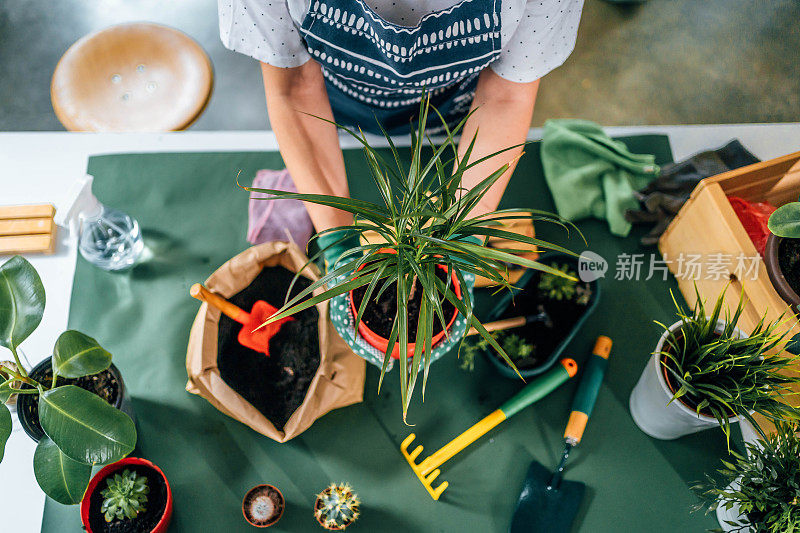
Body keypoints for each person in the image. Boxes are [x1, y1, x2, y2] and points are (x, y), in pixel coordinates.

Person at [218, 0, 584, 236]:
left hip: (457, 115)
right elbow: (295, 84)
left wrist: (458, 234)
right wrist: (337, 241)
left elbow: (506, 94)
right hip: (335, 112)